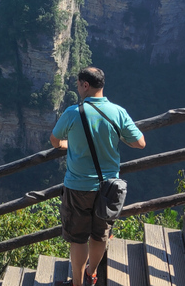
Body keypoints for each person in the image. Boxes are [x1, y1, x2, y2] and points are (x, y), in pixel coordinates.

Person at [50, 66, 146, 286]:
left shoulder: (73, 113)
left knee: (78, 237)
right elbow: (140, 143)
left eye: (77, 84)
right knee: (100, 234)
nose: (76, 88)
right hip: (108, 189)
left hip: (78, 187)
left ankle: (77, 283)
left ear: (85, 85)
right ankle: (91, 273)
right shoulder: (118, 112)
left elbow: (55, 141)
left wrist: (68, 143)